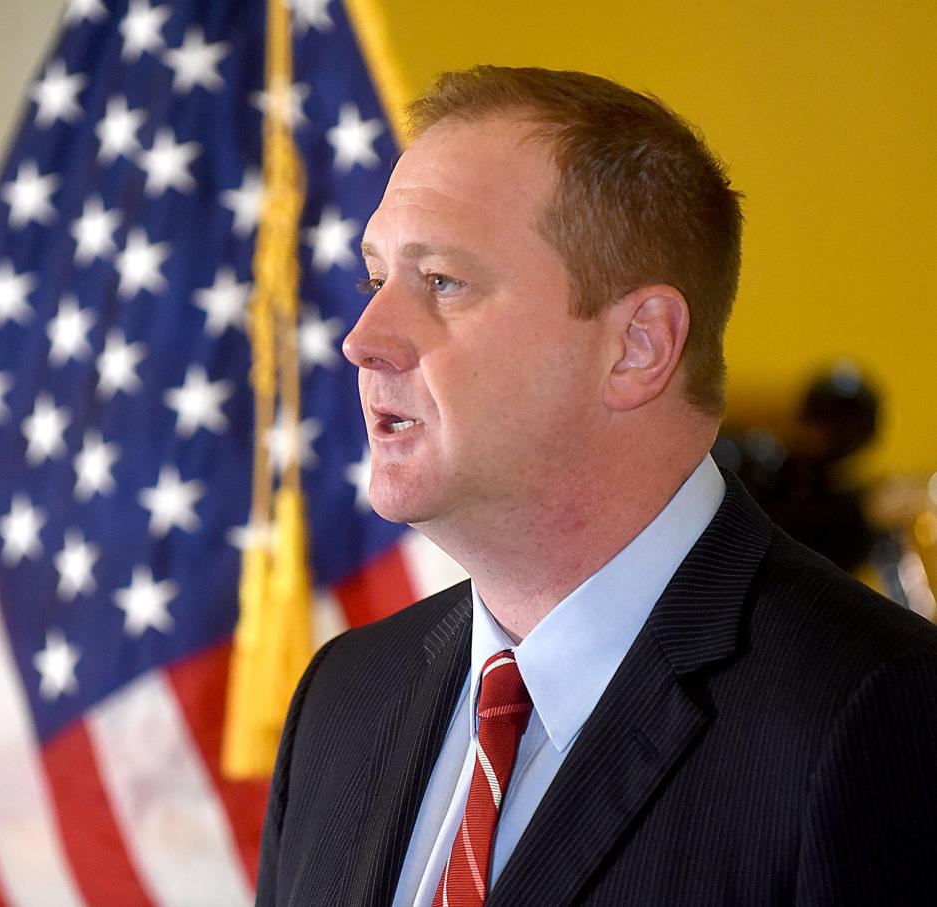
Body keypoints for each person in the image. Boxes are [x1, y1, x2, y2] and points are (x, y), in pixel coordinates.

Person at [255, 66, 937, 906]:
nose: (364, 338)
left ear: (638, 346)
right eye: (375, 279)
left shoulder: (876, 713)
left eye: (441, 282)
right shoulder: (344, 698)